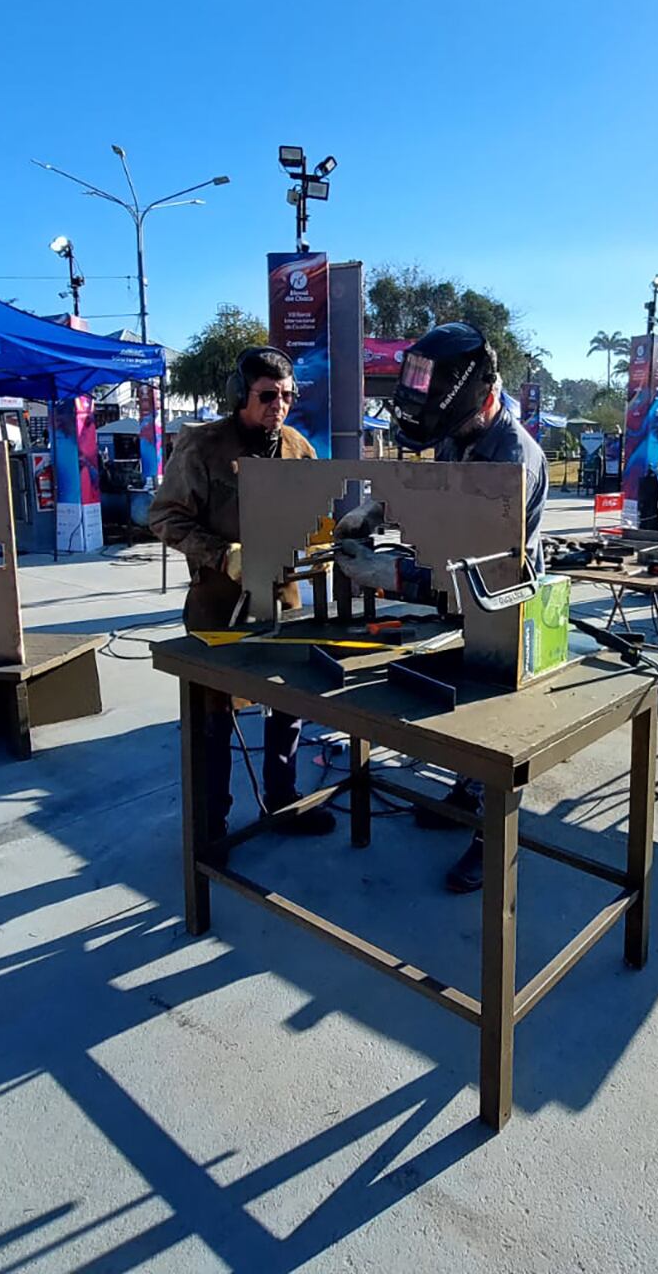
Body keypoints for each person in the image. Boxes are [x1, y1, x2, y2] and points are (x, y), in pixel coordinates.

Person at [347, 321, 550, 894]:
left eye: (456, 422)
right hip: (467, 598)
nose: (450, 434)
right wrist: (378, 512)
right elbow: (432, 492)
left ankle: (491, 840)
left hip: (504, 602)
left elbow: (478, 566)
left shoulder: (513, 458)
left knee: (497, 724)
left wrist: (391, 574)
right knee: (463, 715)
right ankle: (463, 794)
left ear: (483, 396)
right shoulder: (459, 436)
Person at [148, 346, 335, 847]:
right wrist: (219, 552)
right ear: (240, 396)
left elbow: (317, 517)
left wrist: (333, 538)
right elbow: (164, 517)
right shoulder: (202, 448)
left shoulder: (298, 447)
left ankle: (283, 799)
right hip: (219, 605)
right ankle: (211, 827)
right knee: (214, 723)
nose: (279, 406)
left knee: (286, 709)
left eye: (287, 396)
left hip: (284, 602)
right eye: (268, 396)